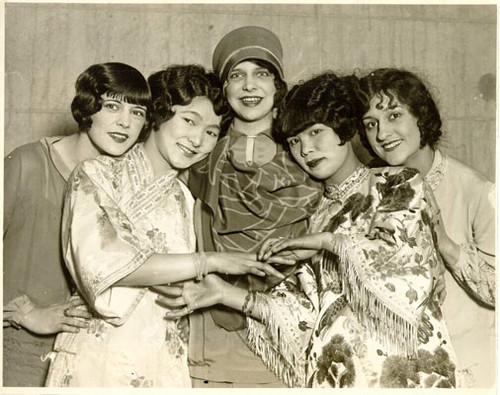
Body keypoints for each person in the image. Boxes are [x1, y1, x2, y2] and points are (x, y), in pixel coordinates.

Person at [158, 72, 459, 388]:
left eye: (316, 132)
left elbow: (397, 254)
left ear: (344, 127)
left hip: (405, 370)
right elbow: (302, 310)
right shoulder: (314, 213)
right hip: (341, 375)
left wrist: (324, 242)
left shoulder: (395, 182)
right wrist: (223, 292)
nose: (307, 150)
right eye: (295, 141)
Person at [43, 64, 283, 388]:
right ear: (158, 115)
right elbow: (104, 263)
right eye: (189, 121)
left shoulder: (186, 200)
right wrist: (206, 262)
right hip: (98, 355)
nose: (198, 139)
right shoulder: (94, 174)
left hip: (159, 358)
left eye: (212, 132)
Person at [185, 26, 322, 388]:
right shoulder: (198, 150)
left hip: (291, 320)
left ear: (278, 86)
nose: (249, 86)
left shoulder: (309, 150)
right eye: (237, 75)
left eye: (261, 74)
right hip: (211, 322)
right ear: (224, 88)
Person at [3, 62, 151, 386]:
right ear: (87, 108)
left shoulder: (127, 183)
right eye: (112, 106)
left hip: (85, 356)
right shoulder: (28, 163)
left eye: (137, 112)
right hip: (16, 352)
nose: (125, 123)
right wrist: (23, 314)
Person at [357, 68, 495, 387]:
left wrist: (443, 241)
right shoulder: (369, 189)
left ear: (422, 116)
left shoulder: (477, 189)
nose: (382, 134)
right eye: (370, 124)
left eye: (394, 115)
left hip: (471, 364)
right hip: (398, 366)